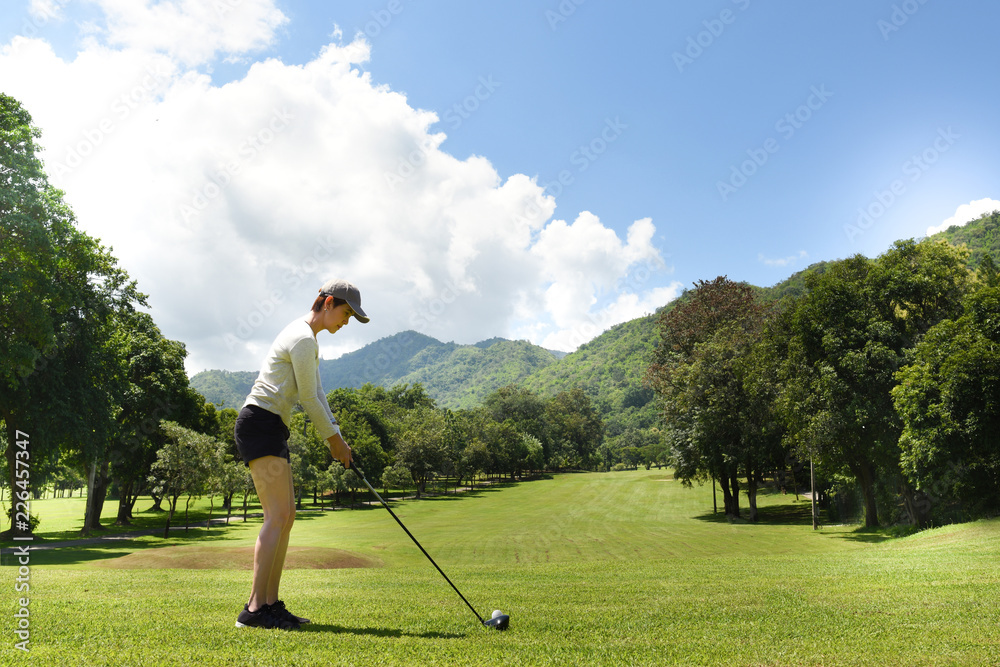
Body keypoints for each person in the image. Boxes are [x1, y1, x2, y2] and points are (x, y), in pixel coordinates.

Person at [234, 279, 369, 630]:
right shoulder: (302, 338)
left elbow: (317, 392)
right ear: (327, 303)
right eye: (345, 313)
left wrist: (338, 436)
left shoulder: (308, 340)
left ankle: (270, 604)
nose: (346, 321)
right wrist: (333, 442)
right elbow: (308, 400)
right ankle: (253, 609)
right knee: (276, 516)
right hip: (259, 423)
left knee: (287, 516)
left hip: (272, 426)